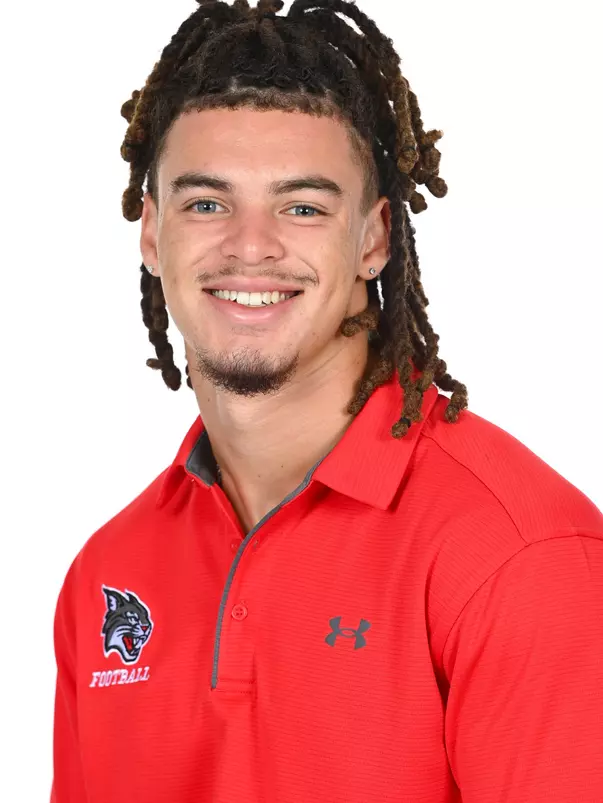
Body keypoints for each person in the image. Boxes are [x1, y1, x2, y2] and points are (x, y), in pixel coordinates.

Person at [50, 0, 603, 800]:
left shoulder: (520, 558)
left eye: (302, 207)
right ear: (151, 231)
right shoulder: (109, 571)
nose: (249, 244)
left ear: (373, 239)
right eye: (206, 203)